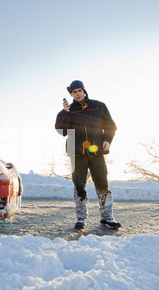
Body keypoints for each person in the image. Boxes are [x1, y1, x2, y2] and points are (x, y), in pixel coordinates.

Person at [55, 80, 121, 230]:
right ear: (71, 94)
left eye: (79, 90)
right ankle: (80, 219)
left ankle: (107, 218)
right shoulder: (67, 110)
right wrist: (65, 114)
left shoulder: (98, 106)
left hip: (96, 151)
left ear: (84, 91)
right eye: (74, 92)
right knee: (79, 185)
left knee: (102, 183)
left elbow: (110, 125)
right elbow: (61, 131)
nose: (77, 94)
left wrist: (108, 140)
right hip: (76, 153)